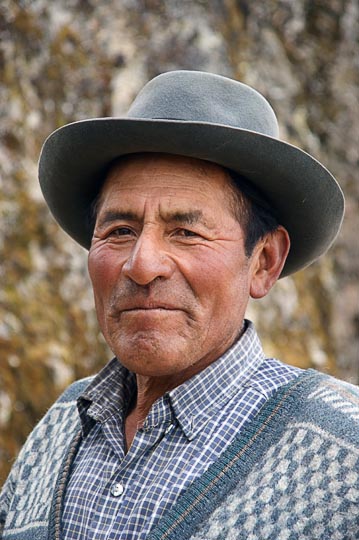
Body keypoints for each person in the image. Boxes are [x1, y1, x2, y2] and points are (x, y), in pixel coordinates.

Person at [1, 70, 358, 540]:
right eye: (119, 230)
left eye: (186, 232)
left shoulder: (342, 451)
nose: (142, 265)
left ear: (264, 262)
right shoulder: (61, 426)